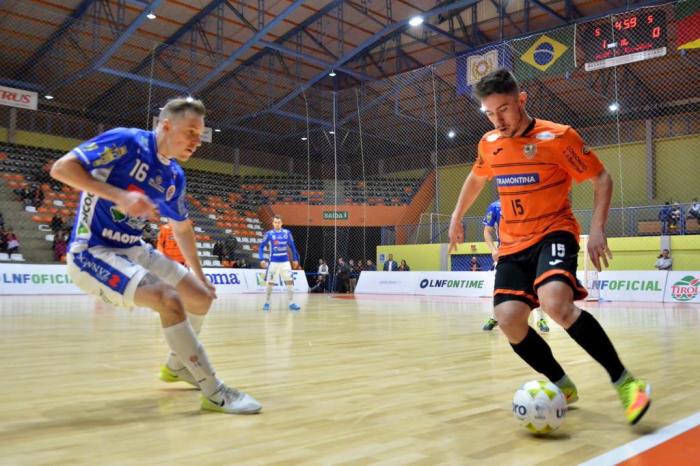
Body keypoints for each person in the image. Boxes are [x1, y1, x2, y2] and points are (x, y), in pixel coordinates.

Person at [448, 69, 650, 425]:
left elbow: (601, 177)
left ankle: (627, 383)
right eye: (490, 113)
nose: (499, 120)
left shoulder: (558, 138)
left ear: (521, 100)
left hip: (554, 232)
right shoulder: (489, 142)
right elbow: (477, 176)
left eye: (505, 109)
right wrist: (456, 214)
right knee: (509, 319)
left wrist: (598, 228)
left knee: (556, 303)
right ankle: (562, 384)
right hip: (513, 244)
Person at [49, 97, 261, 415]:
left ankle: (178, 367)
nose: (196, 141)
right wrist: (118, 195)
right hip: (93, 251)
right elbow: (61, 168)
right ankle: (214, 391)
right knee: (168, 300)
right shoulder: (126, 141)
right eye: (190, 131)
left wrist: (201, 277)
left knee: (201, 299)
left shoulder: (174, 175)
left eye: (199, 134)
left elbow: (182, 227)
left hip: (134, 248)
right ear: (165, 125)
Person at [480, 199, 550, 333]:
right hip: (505, 253)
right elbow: (487, 231)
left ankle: (540, 319)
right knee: (500, 287)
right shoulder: (495, 206)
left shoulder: (529, 201)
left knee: (535, 285)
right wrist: (493, 250)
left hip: (528, 251)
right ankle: (495, 317)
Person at [258, 214, 301, 311]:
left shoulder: (287, 233)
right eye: (275, 222)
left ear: (281, 223)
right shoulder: (269, 234)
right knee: (270, 283)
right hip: (273, 263)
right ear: (273, 223)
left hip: (285, 263)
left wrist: (295, 259)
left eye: (279, 222)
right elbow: (261, 247)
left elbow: (292, 246)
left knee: (290, 282)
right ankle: (267, 303)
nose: (277, 224)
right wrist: (261, 259)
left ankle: (291, 303)